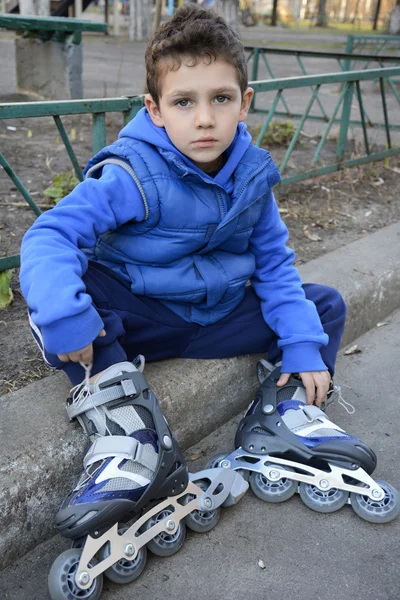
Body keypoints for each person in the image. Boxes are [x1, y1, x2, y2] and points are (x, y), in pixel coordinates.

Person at [20, 3, 346, 539]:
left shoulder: (252, 178)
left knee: (323, 306)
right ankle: (130, 442)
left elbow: (275, 267)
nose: (203, 118)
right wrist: (64, 315)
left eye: (220, 99)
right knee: (61, 302)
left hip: (218, 320)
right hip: (140, 316)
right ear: (154, 109)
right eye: (183, 102)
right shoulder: (132, 173)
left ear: (244, 103)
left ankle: (283, 415)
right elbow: (51, 236)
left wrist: (305, 346)